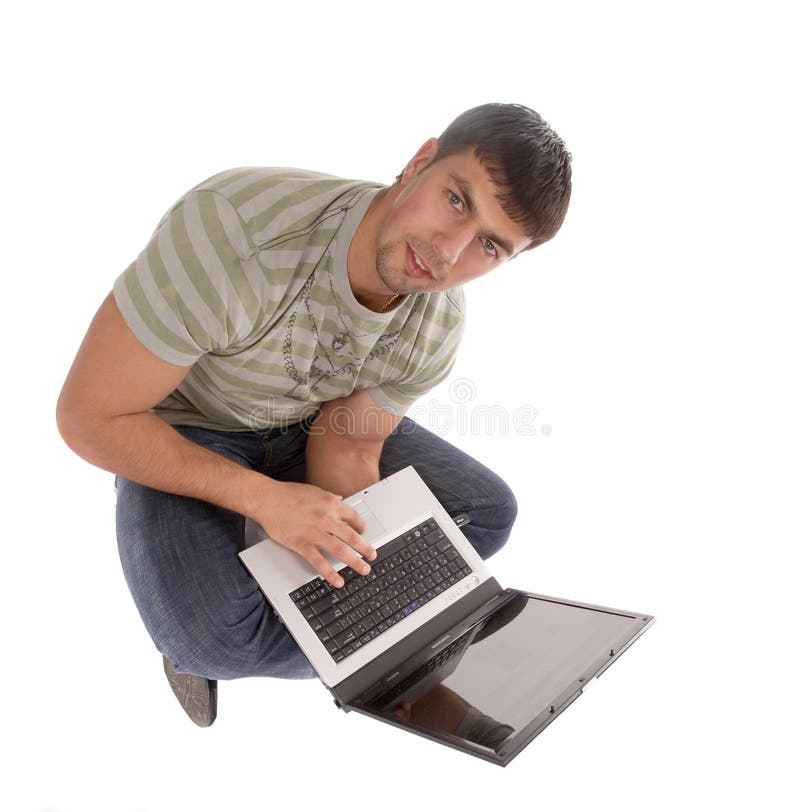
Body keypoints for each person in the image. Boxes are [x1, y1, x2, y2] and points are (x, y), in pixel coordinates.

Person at [56, 103, 572, 727]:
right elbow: (89, 417)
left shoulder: (436, 325)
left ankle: (385, 644)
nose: (448, 252)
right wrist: (265, 500)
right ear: (418, 163)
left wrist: (363, 551)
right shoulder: (235, 233)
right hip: (183, 424)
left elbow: (346, 446)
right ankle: (365, 641)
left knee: (486, 514)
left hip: (309, 424)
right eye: (456, 201)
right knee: (208, 641)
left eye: (489, 246)